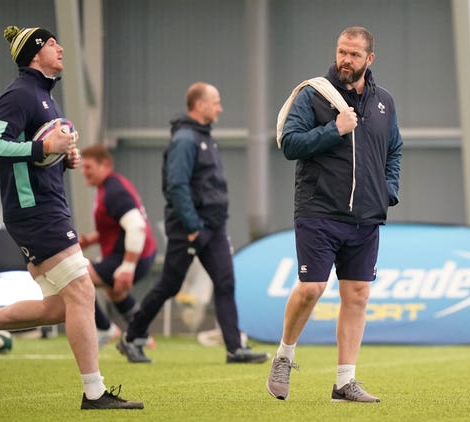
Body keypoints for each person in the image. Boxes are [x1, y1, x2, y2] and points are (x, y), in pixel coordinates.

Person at [0, 25, 143, 410]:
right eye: (52, 43)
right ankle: (94, 393)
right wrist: (44, 145)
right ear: (34, 53)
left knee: (58, 307)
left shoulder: (44, 97)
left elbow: (36, 153)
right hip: (34, 212)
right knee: (83, 291)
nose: (60, 48)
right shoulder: (19, 93)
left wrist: (63, 158)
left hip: (47, 207)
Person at [267, 26, 402, 402]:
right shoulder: (313, 94)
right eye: (342, 52)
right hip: (319, 210)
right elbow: (290, 144)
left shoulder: (384, 102)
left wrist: (388, 191)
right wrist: (334, 129)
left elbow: (394, 150)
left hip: (366, 217)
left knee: (357, 295)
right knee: (311, 288)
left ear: (369, 59)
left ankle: (344, 383)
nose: (346, 60)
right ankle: (284, 355)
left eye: (354, 54)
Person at [118, 82, 269, 364]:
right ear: (199, 105)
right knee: (169, 284)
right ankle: (131, 337)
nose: (220, 108)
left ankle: (235, 349)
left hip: (214, 226)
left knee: (225, 283)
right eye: (216, 102)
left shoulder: (204, 137)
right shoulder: (185, 139)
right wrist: (192, 227)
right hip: (191, 229)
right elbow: (176, 186)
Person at [78, 144, 157, 349]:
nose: (83, 171)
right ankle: (142, 335)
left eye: (88, 166)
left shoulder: (113, 192)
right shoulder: (111, 185)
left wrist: (127, 267)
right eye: (82, 167)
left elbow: (136, 227)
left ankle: (105, 328)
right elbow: (116, 227)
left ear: (105, 165)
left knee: (74, 276)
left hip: (131, 255)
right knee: (115, 292)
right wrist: (89, 241)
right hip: (139, 252)